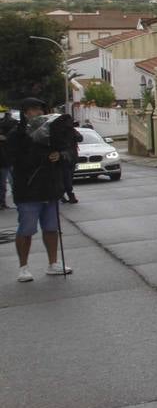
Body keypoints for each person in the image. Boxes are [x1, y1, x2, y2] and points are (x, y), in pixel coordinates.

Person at [11, 98, 76, 282]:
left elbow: (69, 151)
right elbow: (14, 159)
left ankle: (53, 263)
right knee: (27, 229)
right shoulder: (19, 134)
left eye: (40, 109)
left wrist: (60, 155)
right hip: (28, 190)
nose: (38, 112)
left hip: (51, 187)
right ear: (25, 113)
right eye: (33, 110)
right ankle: (23, 267)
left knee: (51, 228)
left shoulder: (52, 132)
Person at [0, 110, 16, 210]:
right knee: (9, 183)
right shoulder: (9, 139)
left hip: (7, 162)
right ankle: (2, 203)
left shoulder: (8, 139)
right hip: (6, 162)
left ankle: (2, 203)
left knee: (5, 184)